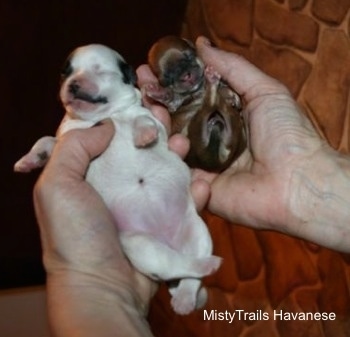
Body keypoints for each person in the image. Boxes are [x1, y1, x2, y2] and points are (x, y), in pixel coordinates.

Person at [33, 36, 350, 337]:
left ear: (126, 79)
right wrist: (98, 286)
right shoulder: (71, 130)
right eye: (68, 73)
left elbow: (151, 125)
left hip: (176, 197)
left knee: (192, 226)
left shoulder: (131, 112)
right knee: (140, 246)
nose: (76, 80)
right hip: (132, 229)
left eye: (99, 71)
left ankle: (188, 278)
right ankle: (187, 274)